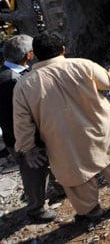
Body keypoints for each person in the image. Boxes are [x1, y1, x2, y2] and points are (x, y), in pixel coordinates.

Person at [13, 32, 110, 220]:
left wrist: (27, 148)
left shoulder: (23, 85)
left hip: (62, 138)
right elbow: (109, 82)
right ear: (63, 49)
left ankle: (91, 210)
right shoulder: (82, 65)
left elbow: (22, 122)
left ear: (35, 54)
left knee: (76, 174)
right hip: (99, 126)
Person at [0, 35, 56, 222]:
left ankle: (60, 189)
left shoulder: (15, 74)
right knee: (34, 172)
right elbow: (9, 119)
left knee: (48, 165)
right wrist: (26, 146)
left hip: (31, 135)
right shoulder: (10, 81)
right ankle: (36, 209)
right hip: (23, 140)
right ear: (29, 55)